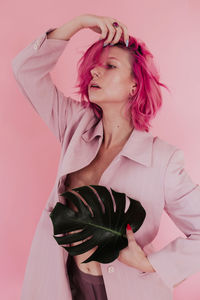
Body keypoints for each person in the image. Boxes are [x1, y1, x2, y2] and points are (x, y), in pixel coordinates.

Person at [11, 13, 200, 300]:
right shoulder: (75, 124)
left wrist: (150, 263)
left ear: (134, 86)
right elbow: (25, 70)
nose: (95, 73)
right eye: (94, 67)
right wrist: (78, 24)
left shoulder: (162, 159)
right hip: (61, 284)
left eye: (109, 66)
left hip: (127, 291)